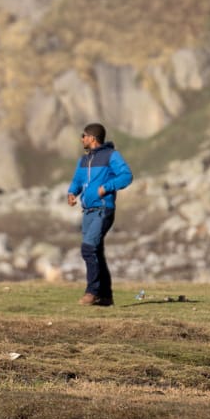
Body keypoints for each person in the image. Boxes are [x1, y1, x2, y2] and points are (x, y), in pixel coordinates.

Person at [66, 123, 132, 306]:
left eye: (83, 135)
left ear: (92, 138)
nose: (81, 139)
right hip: (87, 212)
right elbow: (77, 181)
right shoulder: (84, 160)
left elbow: (127, 176)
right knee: (96, 252)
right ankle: (105, 296)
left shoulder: (111, 155)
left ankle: (92, 292)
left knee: (88, 249)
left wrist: (106, 188)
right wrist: (72, 193)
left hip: (103, 210)